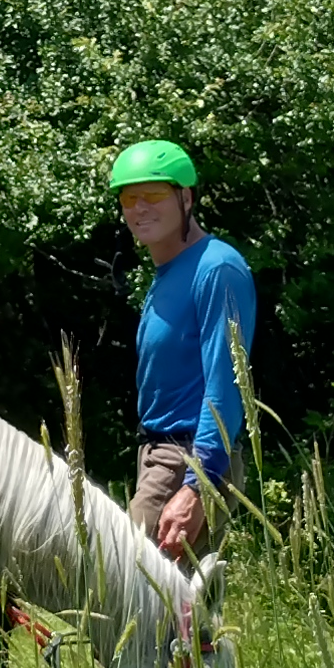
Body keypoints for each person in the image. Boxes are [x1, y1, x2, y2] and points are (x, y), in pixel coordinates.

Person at [114, 137, 256, 566]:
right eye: (129, 197)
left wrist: (197, 487)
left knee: (126, 585)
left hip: (187, 458)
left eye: (154, 195)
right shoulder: (169, 271)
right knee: (170, 615)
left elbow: (227, 386)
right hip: (161, 454)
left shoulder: (217, 268)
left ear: (186, 197)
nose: (140, 208)